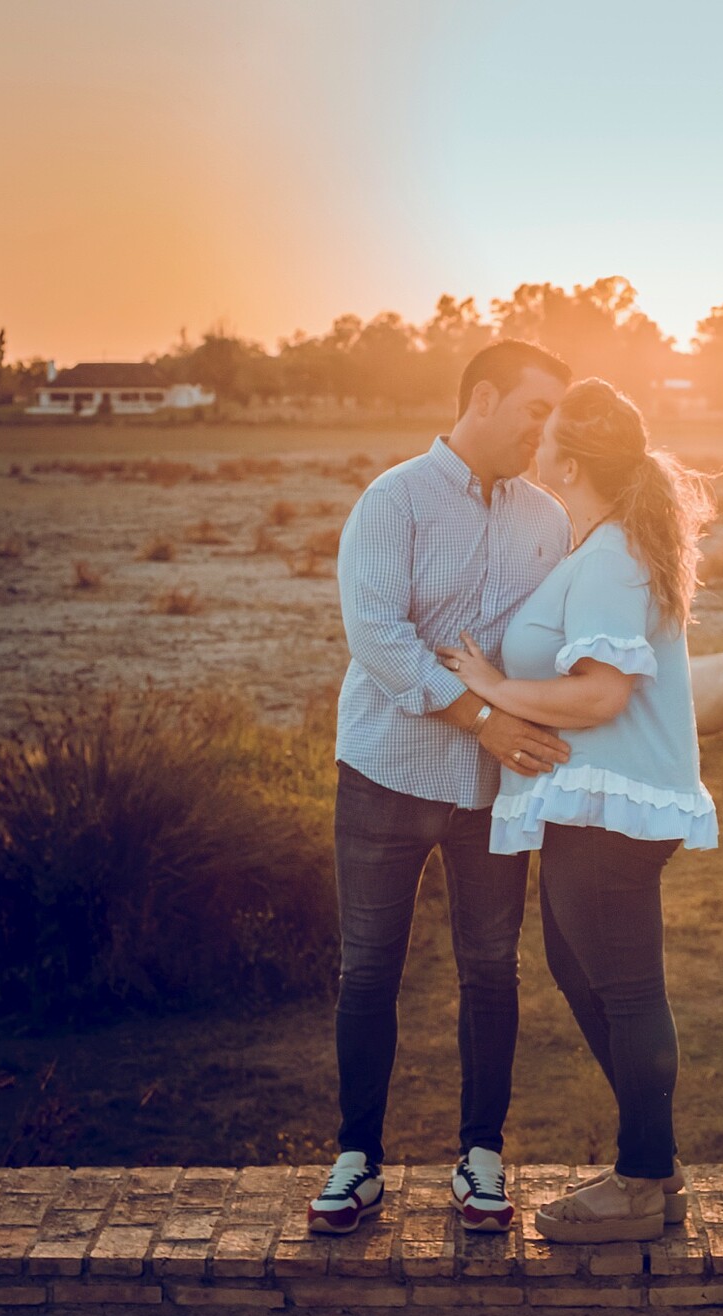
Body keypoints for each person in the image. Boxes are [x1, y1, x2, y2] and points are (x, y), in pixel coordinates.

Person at [440, 377, 717, 1243]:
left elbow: (600, 696)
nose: (535, 440)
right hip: (594, 805)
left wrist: (490, 685)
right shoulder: (601, 543)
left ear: (569, 458)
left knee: (627, 987)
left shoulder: (609, 558)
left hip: (611, 809)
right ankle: (655, 1161)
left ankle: (642, 1179)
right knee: (578, 964)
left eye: (547, 430)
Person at [308, 340, 574, 1237]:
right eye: (535, 410)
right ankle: (357, 1160)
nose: (546, 430)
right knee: (370, 968)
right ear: (486, 398)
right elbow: (377, 637)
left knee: (491, 970)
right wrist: (484, 719)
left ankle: (482, 1156)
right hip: (385, 773)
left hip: (495, 794)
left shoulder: (547, 518)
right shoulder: (393, 500)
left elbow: (554, 638)